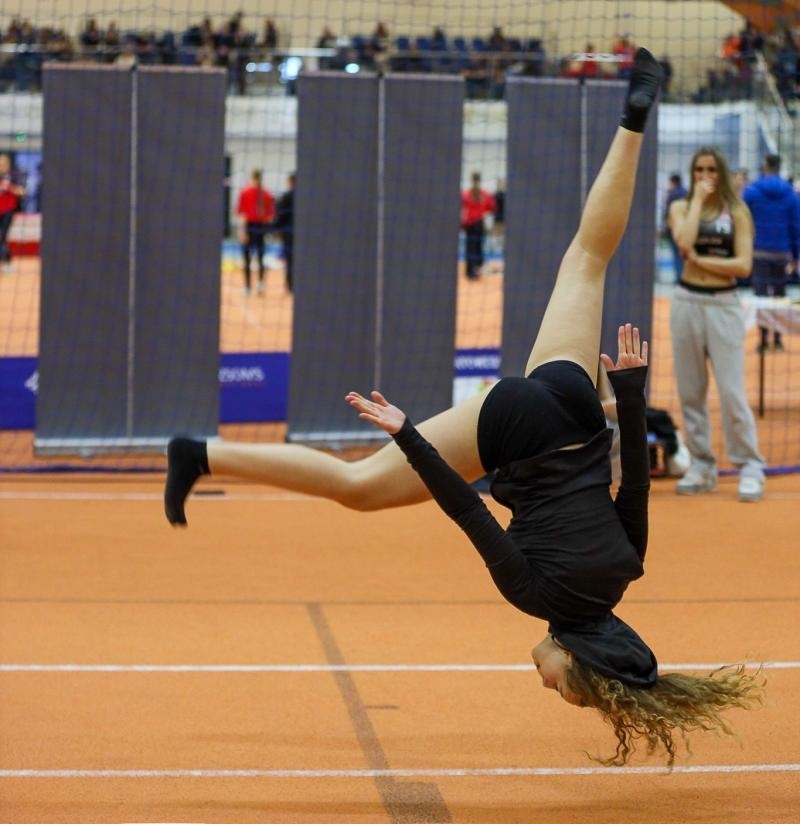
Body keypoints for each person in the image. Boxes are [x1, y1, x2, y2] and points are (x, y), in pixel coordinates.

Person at [165, 50, 761, 766]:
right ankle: (199, 453)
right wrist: (409, 436)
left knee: (586, 257)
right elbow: (466, 507)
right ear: (576, 657)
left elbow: (632, 480)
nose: (549, 687)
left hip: (577, 411)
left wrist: (628, 397)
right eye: (565, 688)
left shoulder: (625, 569)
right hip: (513, 426)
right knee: (358, 487)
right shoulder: (534, 594)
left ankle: (634, 114)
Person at [668, 146, 766, 501]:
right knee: (690, 390)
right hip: (685, 302)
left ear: (721, 173)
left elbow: (743, 266)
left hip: (724, 305)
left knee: (730, 391)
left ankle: (750, 464)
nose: (705, 176)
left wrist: (701, 262)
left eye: (711, 169)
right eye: (698, 170)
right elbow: (683, 241)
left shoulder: (737, 211)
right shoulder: (680, 207)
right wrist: (696, 201)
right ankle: (702, 464)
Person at [743, 154, 800, 352]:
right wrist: (796, 255)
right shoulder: (791, 195)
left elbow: (742, 220)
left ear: (765, 165)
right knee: (779, 297)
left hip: (758, 251)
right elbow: (796, 226)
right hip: (781, 253)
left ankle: (763, 340)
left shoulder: (752, 192)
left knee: (760, 298)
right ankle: (777, 340)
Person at [236, 169, 275, 296]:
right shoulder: (267, 193)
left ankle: (248, 287)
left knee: (248, 258)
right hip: (261, 227)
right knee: (260, 256)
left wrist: (242, 231)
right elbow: (270, 216)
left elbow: (242, 214)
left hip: (250, 226)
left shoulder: (246, 192)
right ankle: (260, 284)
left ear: (251, 177)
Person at [461, 172, 495, 280]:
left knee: (473, 248)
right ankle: (473, 271)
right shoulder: (481, 194)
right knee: (475, 248)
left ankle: (472, 271)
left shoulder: (469, 194)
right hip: (475, 224)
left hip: (473, 224)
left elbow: (491, 206)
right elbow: (491, 207)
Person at [0, 153, 25, 271]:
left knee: (3, 236)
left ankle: (7, 261)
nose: (1, 165)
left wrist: (10, 187)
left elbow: (22, 192)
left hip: (8, 210)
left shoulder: (14, 175)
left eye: (3, 162)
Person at [662, 173, 688, 282]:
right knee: (684, 254)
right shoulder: (686, 193)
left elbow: (667, 213)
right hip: (686, 228)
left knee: (676, 254)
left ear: (672, 182)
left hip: (673, 229)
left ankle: (678, 278)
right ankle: (685, 277)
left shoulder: (671, 194)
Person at [273, 171, 295, 294]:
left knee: (290, 260)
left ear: (290, 181)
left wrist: (276, 229)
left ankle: (291, 285)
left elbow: (280, 215)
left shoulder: (286, 196)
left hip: (289, 233)